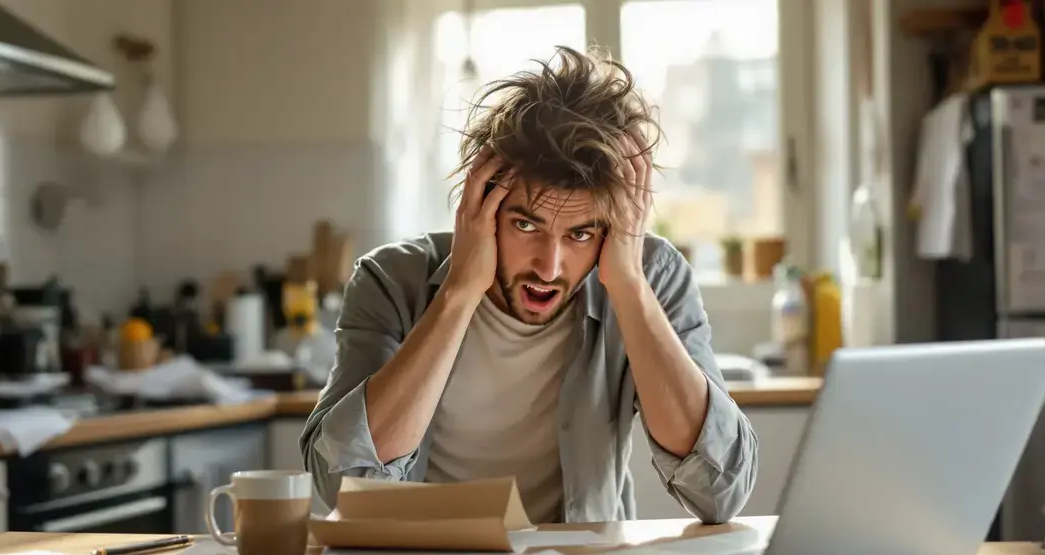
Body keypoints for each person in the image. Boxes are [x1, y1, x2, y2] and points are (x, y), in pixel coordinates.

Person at [299, 45, 757, 524]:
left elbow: (718, 492)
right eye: (526, 226)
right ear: (481, 206)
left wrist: (629, 287)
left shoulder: (652, 278)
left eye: (581, 233)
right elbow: (343, 487)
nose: (549, 266)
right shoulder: (390, 279)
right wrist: (459, 292)